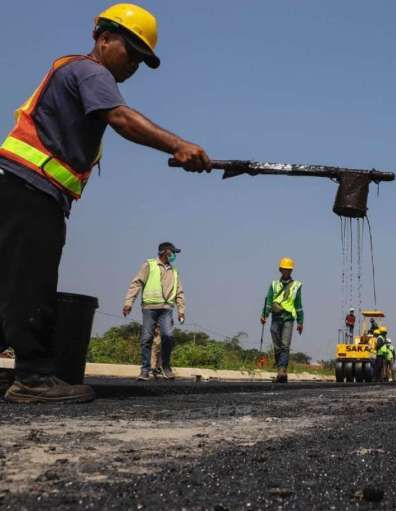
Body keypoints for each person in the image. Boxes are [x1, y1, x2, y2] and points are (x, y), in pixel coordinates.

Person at [0, 3, 211, 403]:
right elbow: (121, 118)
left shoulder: (73, 72)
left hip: (18, 187)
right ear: (104, 37)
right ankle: (33, 378)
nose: (133, 64)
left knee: (8, 283)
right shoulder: (90, 71)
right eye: (131, 51)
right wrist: (179, 144)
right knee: (31, 284)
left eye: (141, 59)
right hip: (31, 190)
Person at [123, 242, 185, 381]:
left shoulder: (174, 271)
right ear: (165, 252)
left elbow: (179, 292)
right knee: (146, 338)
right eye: (173, 252)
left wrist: (181, 310)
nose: (174, 255)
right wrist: (129, 302)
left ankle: (166, 367)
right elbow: (137, 283)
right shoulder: (149, 265)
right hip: (149, 308)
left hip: (166, 309)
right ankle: (145, 370)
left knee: (167, 336)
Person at [260, 257, 304, 383]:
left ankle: (282, 371)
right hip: (275, 317)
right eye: (284, 269)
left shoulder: (296, 286)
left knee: (285, 345)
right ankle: (280, 370)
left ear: (291, 271)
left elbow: (298, 305)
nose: (286, 271)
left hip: (288, 318)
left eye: (288, 270)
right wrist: (264, 315)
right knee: (277, 345)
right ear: (280, 270)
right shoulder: (274, 284)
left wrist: (300, 322)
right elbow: (269, 301)